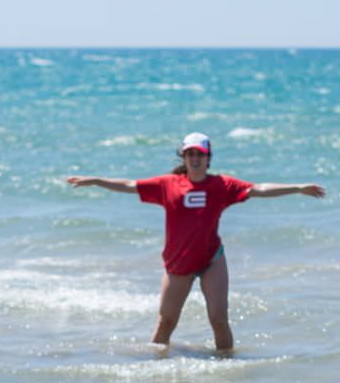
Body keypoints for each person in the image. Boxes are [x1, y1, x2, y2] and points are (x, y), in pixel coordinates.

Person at [66, 132, 324, 353]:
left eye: (200, 154)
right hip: (179, 263)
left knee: (218, 319)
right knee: (166, 322)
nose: (195, 158)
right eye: (190, 154)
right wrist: (97, 181)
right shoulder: (168, 184)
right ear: (184, 158)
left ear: (208, 157)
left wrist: (297, 188)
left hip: (212, 259)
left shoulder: (222, 185)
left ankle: (227, 366)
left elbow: (259, 189)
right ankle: (155, 368)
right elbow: (130, 185)